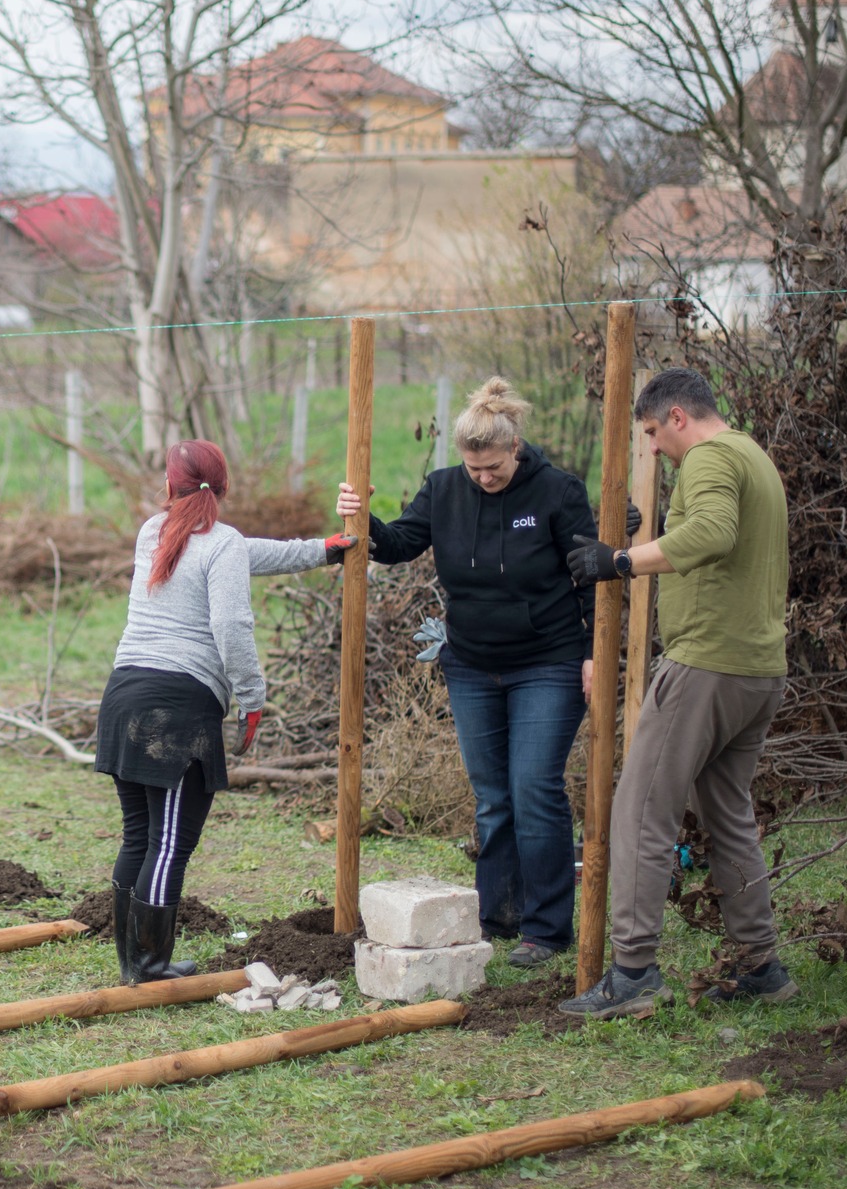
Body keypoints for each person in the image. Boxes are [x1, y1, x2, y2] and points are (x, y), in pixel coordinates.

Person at [337, 377, 617, 969]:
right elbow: (400, 544)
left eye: (493, 468)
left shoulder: (558, 491)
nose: (483, 478)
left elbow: (590, 575)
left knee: (533, 788)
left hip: (547, 661)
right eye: (474, 469)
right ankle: (499, 915)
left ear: (515, 447)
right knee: (492, 798)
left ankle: (547, 928)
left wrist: (596, 652)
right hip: (470, 665)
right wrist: (363, 520)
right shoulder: (444, 489)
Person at [559, 366, 793, 1018]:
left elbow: (714, 533)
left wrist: (621, 561)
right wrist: (647, 535)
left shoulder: (709, 459)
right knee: (728, 814)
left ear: (678, 417)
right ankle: (761, 965)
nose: (653, 447)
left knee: (641, 811)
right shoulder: (752, 455)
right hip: (757, 668)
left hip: (707, 666)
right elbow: (717, 534)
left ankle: (634, 971)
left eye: (653, 432)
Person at [98, 439, 357, 983]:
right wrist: (252, 697)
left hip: (123, 698)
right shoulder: (222, 545)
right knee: (169, 843)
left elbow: (244, 552)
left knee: (140, 836)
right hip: (176, 712)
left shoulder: (153, 532)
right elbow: (231, 624)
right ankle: (148, 966)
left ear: (169, 487)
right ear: (224, 487)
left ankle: (133, 964)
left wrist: (321, 549)